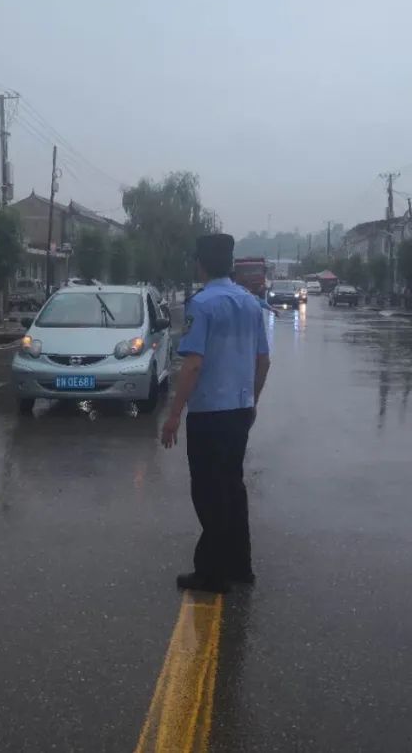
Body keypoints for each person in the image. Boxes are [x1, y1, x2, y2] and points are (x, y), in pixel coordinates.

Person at [161, 234, 271, 593]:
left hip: (209, 413)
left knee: (209, 492)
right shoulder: (251, 303)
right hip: (239, 411)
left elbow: (193, 364)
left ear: (201, 263)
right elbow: (263, 360)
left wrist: (174, 415)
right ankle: (241, 566)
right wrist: (251, 400)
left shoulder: (202, 304)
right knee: (232, 488)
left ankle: (211, 572)